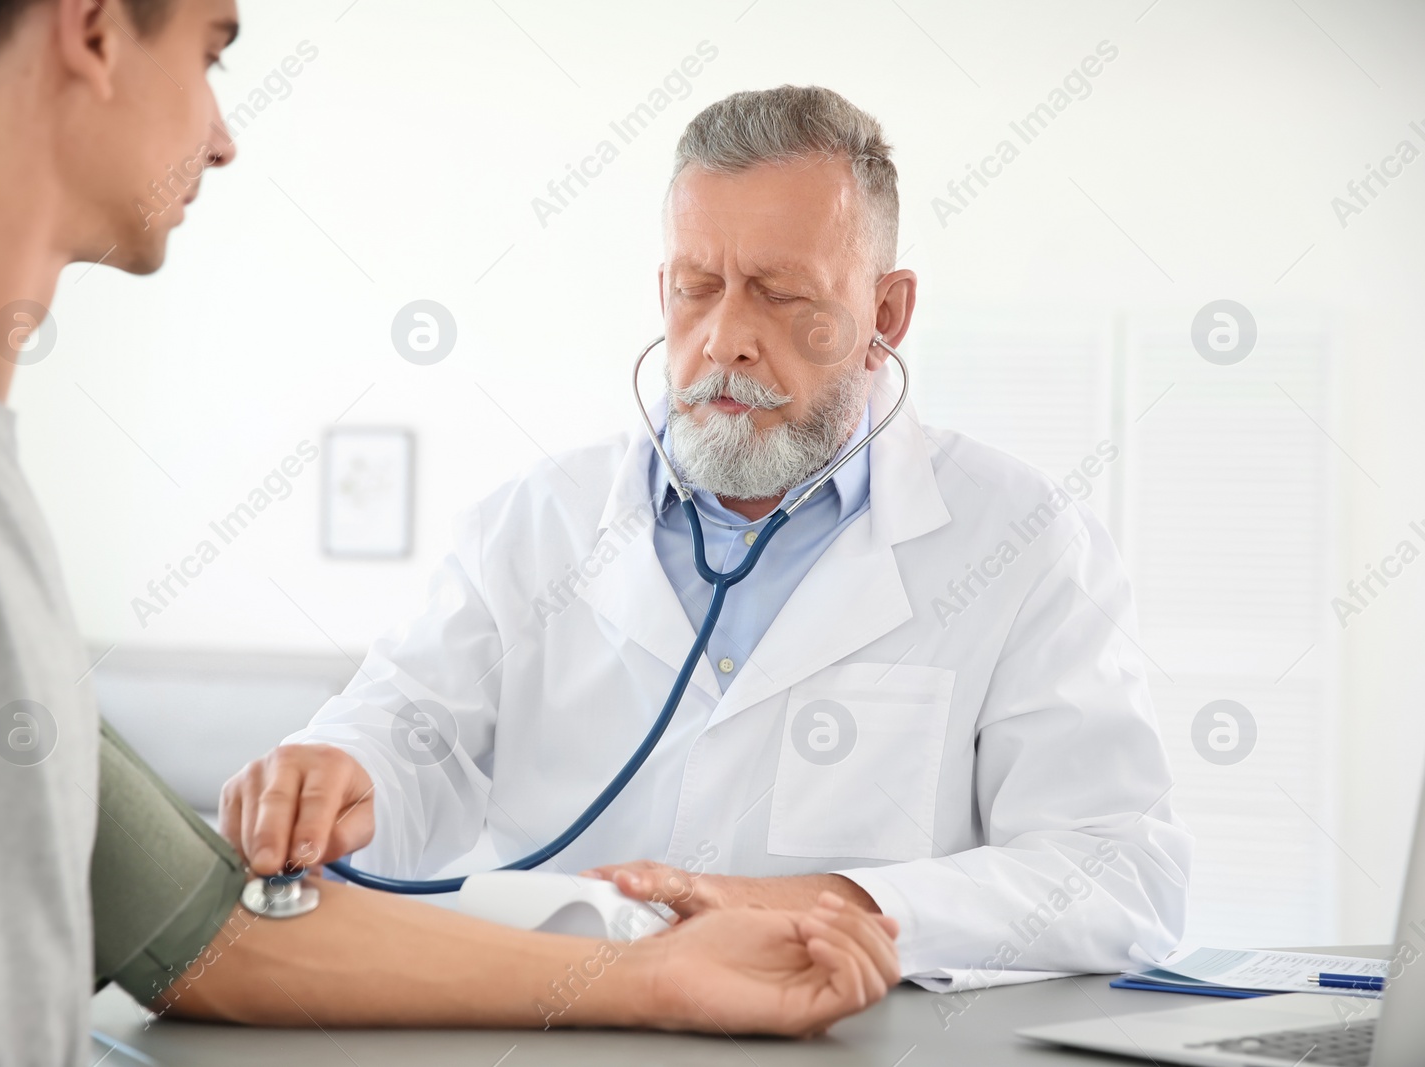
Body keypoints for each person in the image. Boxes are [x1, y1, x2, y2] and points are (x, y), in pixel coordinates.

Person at [0, 4, 899, 1064]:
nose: (223, 133)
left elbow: (214, 934)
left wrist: (658, 976)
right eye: (211, 51)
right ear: (94, 30)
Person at [226, 85, 1194, 984]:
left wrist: (832, 905)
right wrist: (339, 772)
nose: (727, 335)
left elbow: (1116, 872)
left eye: (780, 294)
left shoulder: (1021, 542)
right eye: (698, 285)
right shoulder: (532, 525)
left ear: (884, 314)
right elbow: (404, 736)